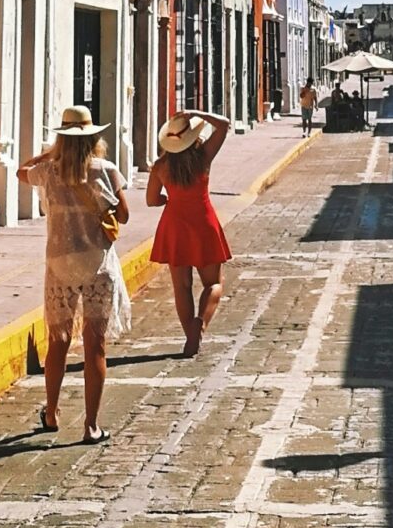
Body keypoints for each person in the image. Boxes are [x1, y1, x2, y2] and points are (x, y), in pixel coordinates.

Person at [17, 106, 129, 443]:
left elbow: (22, 171)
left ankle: (51, 412)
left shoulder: (49, 172)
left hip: (61, 266)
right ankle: (90, 425)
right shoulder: (106, 171)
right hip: (98, 266)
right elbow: (123, 216)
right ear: (94, 137)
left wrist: (53, 152)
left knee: (59, 342)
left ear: (62, 138)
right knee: (96, 345)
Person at [147, 108, 235, 355]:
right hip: (203, 222)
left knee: (181, 287)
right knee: (213, 284)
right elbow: (224, 123)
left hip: (175, 224)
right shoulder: (203, 156)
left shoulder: (160, 167)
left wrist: (168, 200)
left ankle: (190, 337)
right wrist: (198, 113)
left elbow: (151, 200)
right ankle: (200, 325)